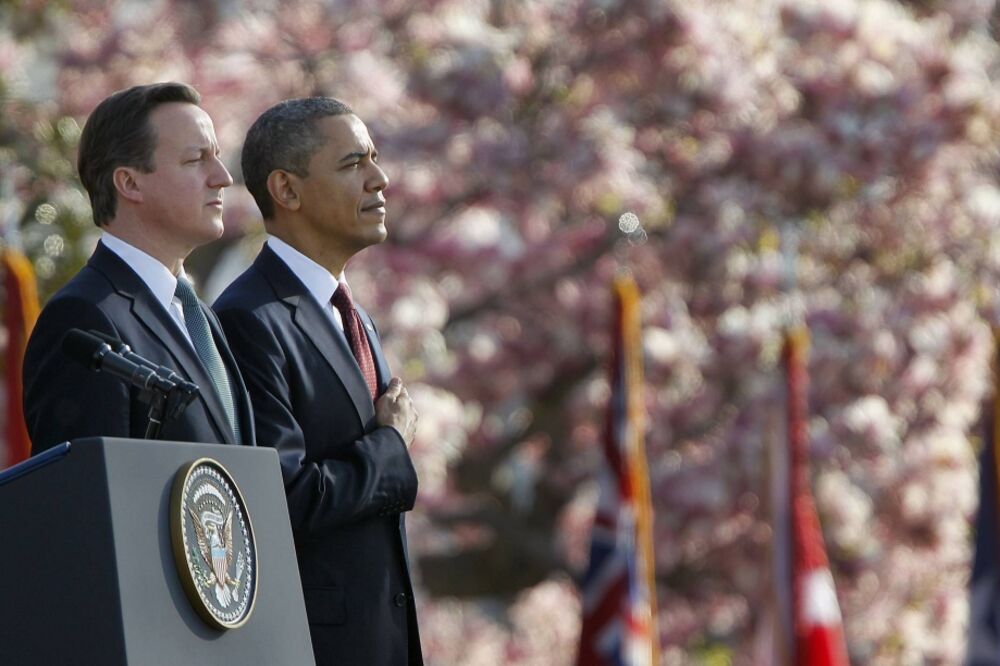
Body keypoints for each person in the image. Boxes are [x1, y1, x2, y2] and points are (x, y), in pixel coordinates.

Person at [214, 97, 422, 665]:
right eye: (354, 163)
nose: (379, 179)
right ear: (286, 189)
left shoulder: (353, 315)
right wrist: (391, 444)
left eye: (375, 159)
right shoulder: (248, 318)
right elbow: (282, 498)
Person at [23, 82, 255, 452]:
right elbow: (88, 493)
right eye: (196, 160)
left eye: (217, 156)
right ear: (129, 182)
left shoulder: (199, 317)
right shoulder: (84, 317)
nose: (223, 177)